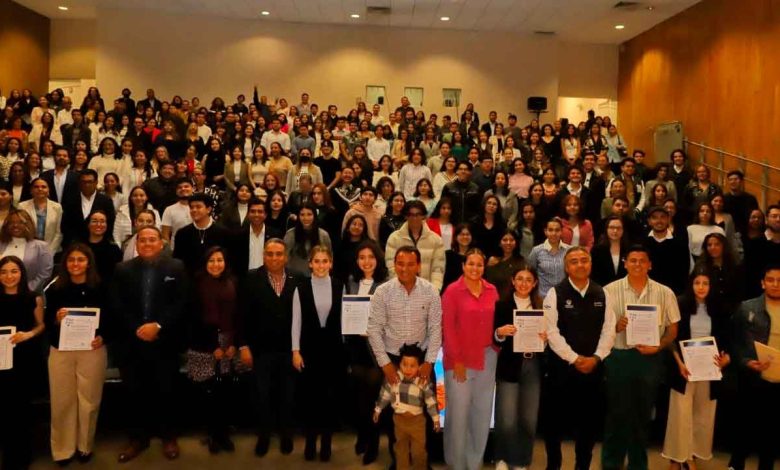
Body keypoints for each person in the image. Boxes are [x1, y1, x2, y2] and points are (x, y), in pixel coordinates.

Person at [110, 226, 189, 463]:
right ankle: (138, 439)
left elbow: (182, 301)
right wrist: (138, 328)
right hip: (132, 342)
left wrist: (158, 326)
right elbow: (117, 304)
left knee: (167, 390)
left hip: (165, 341)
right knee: (135, 393)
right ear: (136, 244)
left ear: (161, 243)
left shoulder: (176, 267)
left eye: (151, 239)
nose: (146, 243)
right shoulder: (122, 269)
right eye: (142, 240)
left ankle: (168, 437)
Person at [602, 245, 680, 470]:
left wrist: (658, 347)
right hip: (619, 357)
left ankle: (638, 465)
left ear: (650, 265)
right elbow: (600, 328)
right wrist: (616, 327)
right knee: (617, 414)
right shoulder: (609, 291)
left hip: (650, 360)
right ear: (625, 263)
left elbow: (672, 330)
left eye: (642, 261)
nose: (637, 265)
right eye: (633, 260)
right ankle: (611, 464)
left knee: (643, 415)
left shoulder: (665, 293)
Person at [368, 246, 443, 467]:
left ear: (418, 266)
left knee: (426, 410)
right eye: (400, 264)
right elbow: (374, 330)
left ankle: (423, 461)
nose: (405, 269)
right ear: (394, 265)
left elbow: (435, 329)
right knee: (395, 411)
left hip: (422, 359)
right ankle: (398, 460)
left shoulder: (430, 291)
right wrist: (385, 364)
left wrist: (429, 362)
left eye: (410, 264)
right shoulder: (383, 292)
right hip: (392, 358)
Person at [543, 246, 616, 470]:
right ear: (566, 267)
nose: (580, 265)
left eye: (584, 260)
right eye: (574, 261)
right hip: (561, 369)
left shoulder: (602, 293)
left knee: (589, 424)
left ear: (590, 264)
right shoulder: (555, 293)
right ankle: (553, 465)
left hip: (593, 368)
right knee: (553, 424)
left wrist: (596, 357)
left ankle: (582, 466)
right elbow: (551, 332)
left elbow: (609, 330)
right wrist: (574, 358)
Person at [44, 244, 108, 465]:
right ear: (65, 263)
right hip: (60, 351)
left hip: (92, 349)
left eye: (81, 260)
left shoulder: (101, 287)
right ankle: (63, 449)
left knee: (89, 400)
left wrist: (103, 337)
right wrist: (56, 319)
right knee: (62, 400)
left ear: (88, 263)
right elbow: (45, 323)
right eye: (71, 260)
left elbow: (111, 318)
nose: (75, 264)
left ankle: (84, 446)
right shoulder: (55, 289)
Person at [662, 269, 731, 470]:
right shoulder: (680, 304)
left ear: (712, 286)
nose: (701, 287)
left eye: (705, 283)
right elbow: (670, 338)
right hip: (683, 369)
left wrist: (726, 359)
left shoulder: (719, 308)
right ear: (690, 285)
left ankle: (690, 455)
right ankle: (677, 457)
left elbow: (728, 339)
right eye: (697, 283)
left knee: (703, 415)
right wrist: (679, 363)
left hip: (709, 369)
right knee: (680, 415)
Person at [237, 239, 301, 457]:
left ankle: (286, 434)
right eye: (270, 254)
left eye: (279, 254)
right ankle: (263, 435)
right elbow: (241, 315)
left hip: (289, 349)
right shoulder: (250, 278)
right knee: (262, 396)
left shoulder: (297, 279)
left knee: (287, 395)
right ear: (264, 256)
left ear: (286, 257)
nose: (274, 258)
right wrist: (243, 345)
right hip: (260, 349)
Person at [441, 248, 499, 470]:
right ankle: (456, 463)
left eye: (479, 264)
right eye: (471, 264)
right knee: (458, 414)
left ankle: (474, 463)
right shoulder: (452, 291)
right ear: (463, 266)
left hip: (487, 357)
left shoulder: (492, 290)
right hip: (460, 360)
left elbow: (499, 321)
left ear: (484, 267)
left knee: (481, 413)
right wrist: (456, 360)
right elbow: (448, 328)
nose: (475, 268)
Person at [291, 245, 345, 461]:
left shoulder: (339, 286)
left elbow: (344, 319)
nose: (321, 265)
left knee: (329, 399)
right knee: (311, 399)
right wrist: (295, 351)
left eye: (325, 261)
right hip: (309, 350)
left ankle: (327, 443)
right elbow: (296, 322)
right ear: (310, 264)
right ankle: (311, 441)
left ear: (330, 263)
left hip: (333, 350)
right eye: (317, 261)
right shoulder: (301, 288)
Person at [186, 246, 241, 454]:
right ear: (205, 263)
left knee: (224, 390)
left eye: (220, 260)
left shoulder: (233, 281)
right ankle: (212, 434)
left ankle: (223, 434)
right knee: (207, 393)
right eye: (211, 260)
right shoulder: (195, 283)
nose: (216, 264)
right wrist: (212, 347)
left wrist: (233, 343)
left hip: (227, 343)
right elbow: (192, 319)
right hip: (203, 345)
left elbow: (238, 314)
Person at [492, 264, 545, 470]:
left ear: (535, 283)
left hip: (533, 364)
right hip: (509, 365)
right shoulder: (502, 306)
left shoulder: (541, 307)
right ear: (513, 281)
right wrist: (500, 332)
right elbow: (495, 339)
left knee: (529, 418)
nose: (524, 283)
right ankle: (502, 458)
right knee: (507, 418)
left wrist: (545, 340)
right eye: (520, 279)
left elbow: (548, 339)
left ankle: (522, 460)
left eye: (528, 280)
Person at [729, 264, 780, 470]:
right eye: (771, 280)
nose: (775, 284)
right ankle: (736, 465)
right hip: (753, 377)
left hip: (778, 380)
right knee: (744, 427)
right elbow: (734, 343)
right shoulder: (746, 308)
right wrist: (747, 362)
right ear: (762, 283)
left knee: (772, 433)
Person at [345, 240, 388, 465]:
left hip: (375, 349)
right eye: (362, 257)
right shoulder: (351, 282)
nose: (366, 262)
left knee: (373, 400)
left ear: (377, 259)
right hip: (355, 348)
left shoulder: (386, 284)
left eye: (370, 257)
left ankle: (373, 444)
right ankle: (362, 436)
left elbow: (389, 317)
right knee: (358, 399)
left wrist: (372, 328)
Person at [0, 255, 45, 469]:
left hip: (24, 359)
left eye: (14, 271)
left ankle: (22, 455)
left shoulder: (33, 298)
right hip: (1, 359)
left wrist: (28, 334)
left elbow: (41, 326)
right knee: (3, 408)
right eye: (4, 272)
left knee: (21, 409)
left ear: (22, 273)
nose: (9, 276)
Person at [373, 343, 440, 470]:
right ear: (399, 364)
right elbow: (385, 394)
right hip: (399, 422)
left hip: (417, 423)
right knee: (400, 450)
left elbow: (431, 401)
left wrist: (436, 419)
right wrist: (378, 409)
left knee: (419, 451)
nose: (408, 369)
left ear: (419, 367)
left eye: (412, 366)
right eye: (404, 364)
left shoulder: (422, 381)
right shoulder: (394, 379)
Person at [385, 201, 445, 291]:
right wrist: (401, 289)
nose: (414, 218)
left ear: (423, 216)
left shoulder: (436, 240)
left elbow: (438, 270)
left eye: (418, 214)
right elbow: (391, 267)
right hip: (400, 290)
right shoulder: (394, 238)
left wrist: (434, 291)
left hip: (427, 291)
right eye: (411, 215)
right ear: (406, 216)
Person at [172, 193, 230, 272]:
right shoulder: (182, 233)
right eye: (191, 207)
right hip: (188, 277)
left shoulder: (223, 232)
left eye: (198, 207)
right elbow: (177, 261)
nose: (194, 210)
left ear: (208, 209)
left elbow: (227, 260)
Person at [0, 209, 53, 292]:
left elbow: (45, 274)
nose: (15, 225)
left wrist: (27, 290)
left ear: (28, 224)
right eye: (11, 222)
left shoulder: (41, 246)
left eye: (21, 222)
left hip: (29, 293)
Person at [61, 169, 116, 247]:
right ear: (79, 183)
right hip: (74, 245)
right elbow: (65, 225)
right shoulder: (70, 200)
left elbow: (110, 224)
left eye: (90, 182)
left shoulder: (106, 201)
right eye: (84, 182)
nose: (87, 185)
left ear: (96, 182)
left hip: (100, 245)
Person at [643, 206, 690, 295]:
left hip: (673, 293)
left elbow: (684, 272)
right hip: (646, 292)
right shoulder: (642, 243)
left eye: (662, 217)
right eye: (655, 218)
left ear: (668, 219)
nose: (659, 221)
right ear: (649, 221)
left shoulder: (680, 244)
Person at [283, 203, 332, 277]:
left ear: (314, 216)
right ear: (298, 216)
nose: (306, 218)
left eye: (309, 214)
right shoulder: (290, 234)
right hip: (295, 276)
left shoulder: (323, 235)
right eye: (302, 215)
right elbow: (285, 256)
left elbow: (329, 256)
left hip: (317, 275)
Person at [19, 177, 63, 256]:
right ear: (31, 190)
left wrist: (49, 252)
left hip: (52, 250)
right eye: (36, 187)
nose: (40, 189)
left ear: (48, 190)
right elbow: (21, 230)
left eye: (43, 187)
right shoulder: (22, 206)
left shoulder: (57, 207)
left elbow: (59, 232)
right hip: (27, 250)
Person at [527, 217, 571, 297]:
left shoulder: (569, 251)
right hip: (543, 296)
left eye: (557, 230)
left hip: (564, 295)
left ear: (561, 231)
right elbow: (530, 273)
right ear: (545, 231)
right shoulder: (536, 251)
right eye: (550, 230)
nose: (554, 233)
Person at [84, 210, 122, 284]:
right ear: (88, 224)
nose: (98, 224)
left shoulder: (114, 249)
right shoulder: (80, 248)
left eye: (102, 221)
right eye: (94, 221)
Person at [591, 215, 628, 286]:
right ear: (606, 229)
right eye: (611, 227)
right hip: (602, 288)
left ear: (623, 230)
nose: (615, 231)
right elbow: (594, 274)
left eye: (618, 228)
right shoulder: (597, 250)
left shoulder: (628, 249)